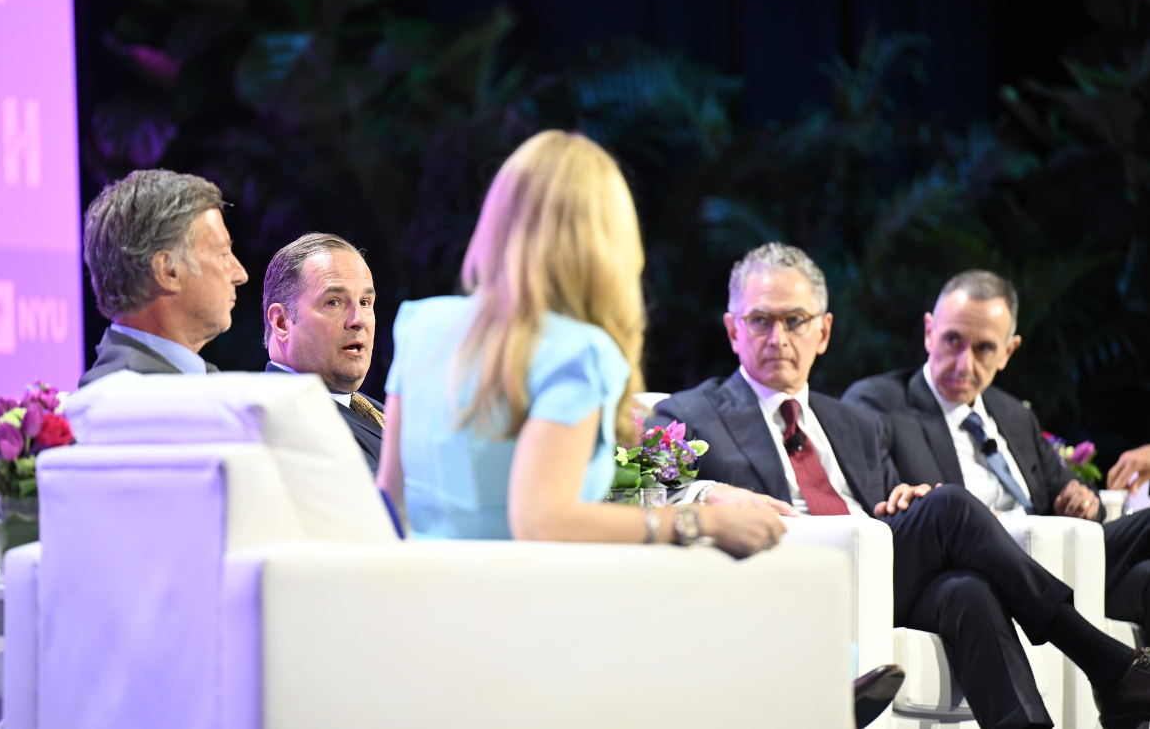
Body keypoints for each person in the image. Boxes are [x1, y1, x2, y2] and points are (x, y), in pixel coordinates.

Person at [378, 131, 899, 728]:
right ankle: (817, 689)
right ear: (606, 241)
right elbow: (541, 519)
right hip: (540, 617)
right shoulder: (579, 352)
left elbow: (390, 501)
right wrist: (699, 518)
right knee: (741, 573)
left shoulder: (420, 325)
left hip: (436, 616)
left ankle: (814, 686)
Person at [651, 243, 1150, 729]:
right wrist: (706, 492)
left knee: (966, 590)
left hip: (879, 576)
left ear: (823, 332)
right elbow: (643, 493)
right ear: (733, 331)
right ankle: (1106, 662)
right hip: (792, 577)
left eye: (795, 320)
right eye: (760, 320)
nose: (778, 337)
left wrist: (905, 498)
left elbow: (888, 507)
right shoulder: (688, 415)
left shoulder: (854, 423)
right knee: (952, 508)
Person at [843, 270, 1150, 641]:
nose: (963, 364)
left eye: (984, 348)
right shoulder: (879, 405)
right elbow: (887, 510)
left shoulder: (1014, 416)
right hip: (979, 565)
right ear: (929, 332)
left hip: (1056, 559)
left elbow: (1069, 490)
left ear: (1008, 351)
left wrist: (1084, 501)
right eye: (952, 340)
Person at [79, 169, 248, 388]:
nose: (241, 274)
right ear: (168, 271)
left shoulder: (185, 382)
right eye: (223, 254)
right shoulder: (128, 400)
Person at [262, 232, 384, 473]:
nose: (358, 320)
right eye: (334, 302)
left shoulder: (367, 408)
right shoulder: (290, 420)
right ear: (281, 323)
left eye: (365, 302)